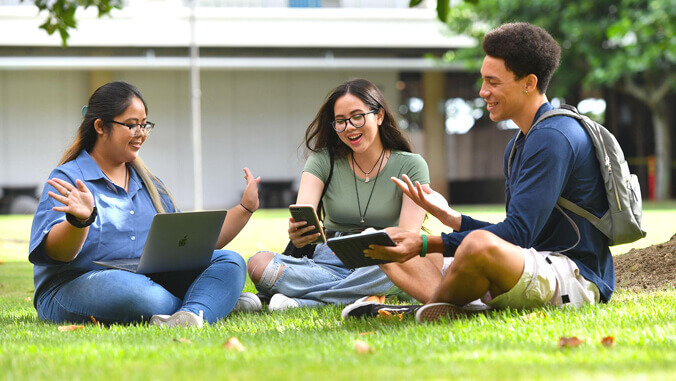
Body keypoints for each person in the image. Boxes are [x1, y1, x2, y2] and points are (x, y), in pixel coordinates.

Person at [355, 23, 612, 322]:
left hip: (574, 277)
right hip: (530, 262)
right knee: (388, 238)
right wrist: (453, 218)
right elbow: (517, 232)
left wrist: (428, 243)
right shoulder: (520, 142)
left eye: (493, 82)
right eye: (482, 80)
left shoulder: (554, 136)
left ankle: (425, 311)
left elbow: (516, 234)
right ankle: (451, 306)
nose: (482, 91)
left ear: (528, 83)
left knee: (472, 246)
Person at [28, 81, 261, 327]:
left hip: (149, 280)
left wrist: (245, 209)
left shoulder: (151, 185)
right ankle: (211, 303)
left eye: (144, 125)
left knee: (230, 261)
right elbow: (56, 253)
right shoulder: (68, 178)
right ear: (100, 127)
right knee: (140, 294)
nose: (141, 133)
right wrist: (80, 221)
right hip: (74, 287)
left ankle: (194, 312)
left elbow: (191, 248)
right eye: (131, 125)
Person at [245, 78, 440, 310]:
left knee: (427, 260)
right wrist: (299, 233)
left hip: (383, 258)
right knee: (258, 263)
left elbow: (407, 236)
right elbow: (304, 212)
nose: (349, 127)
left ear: (379, 116)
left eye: (357, 116)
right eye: (340, 121)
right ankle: (360, 295)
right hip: (329, 259)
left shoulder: (412, 165)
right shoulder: (322, 160)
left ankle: (303, 302)